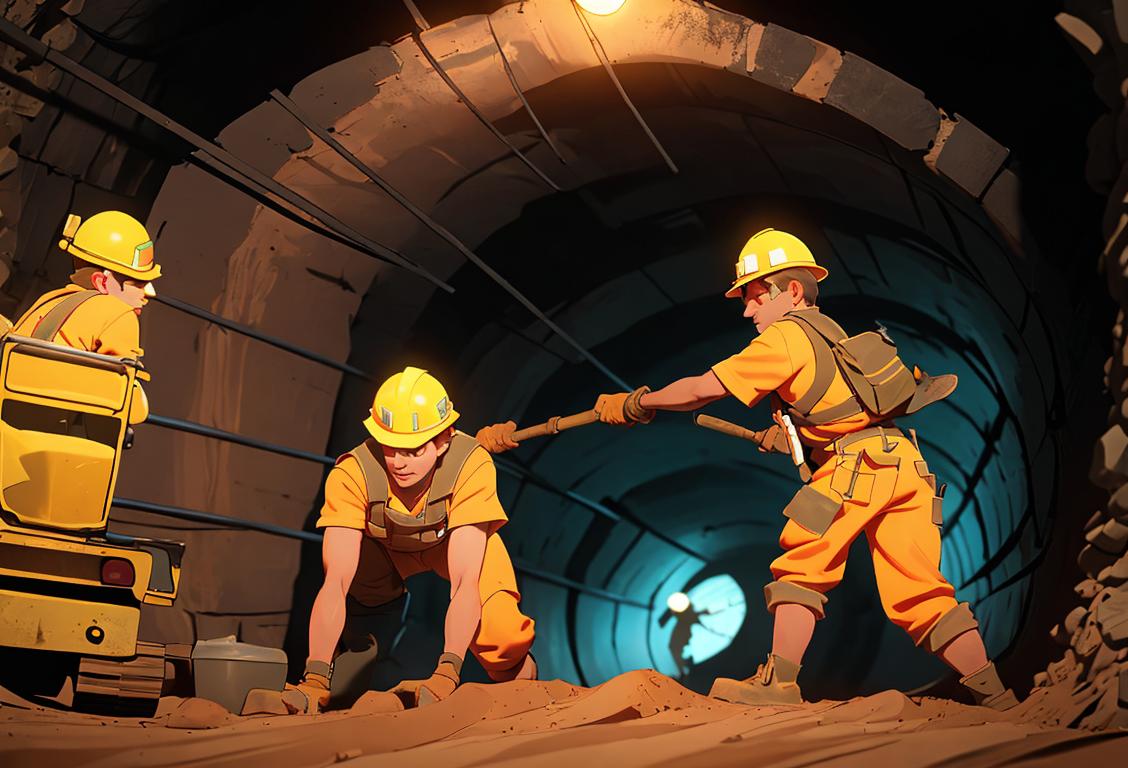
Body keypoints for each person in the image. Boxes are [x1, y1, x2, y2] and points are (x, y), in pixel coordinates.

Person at [479, 228, 1016, 710]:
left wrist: (636, 402)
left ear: (794, 291)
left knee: (802, 567)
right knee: (921, 592)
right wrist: (789, 438)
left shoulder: (784, 338)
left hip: (857, 470)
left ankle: (779, 683)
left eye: (758, 296)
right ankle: (993, 691)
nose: (748, 310)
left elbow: (701, 390)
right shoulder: (832, 333)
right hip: (906, 466)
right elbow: (839, 410)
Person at [292, 366, 536, 713]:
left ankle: (525, 682)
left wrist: (447, 672)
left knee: (504, 637)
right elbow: (335, 582)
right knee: (361, 618)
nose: (398, 462)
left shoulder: (470, 465)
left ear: (444, 440)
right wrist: (315, 675)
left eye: (413, 449)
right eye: (390, 447)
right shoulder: (353, 473)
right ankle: (340, 676)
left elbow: (466, 581)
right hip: (386, 549)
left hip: (452, 542)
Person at [12, 210, 159, 424]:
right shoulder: (118, 314)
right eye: (138, 283)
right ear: (102, 281)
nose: (150, 292)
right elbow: (132, 410)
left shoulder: (47, 300)